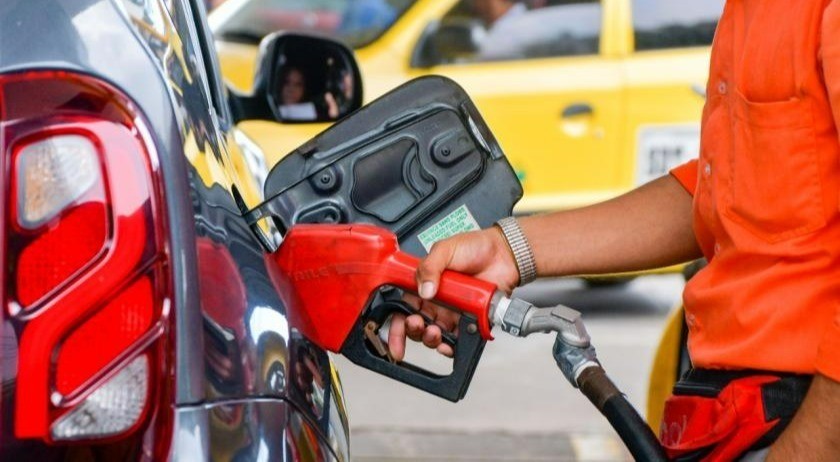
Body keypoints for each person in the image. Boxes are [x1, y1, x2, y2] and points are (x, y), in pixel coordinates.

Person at [389, 1, 840, 460]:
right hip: (742, 410)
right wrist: (508, 250)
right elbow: (726, 194)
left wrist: (808, 448)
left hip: (806, 417)